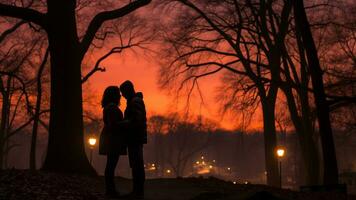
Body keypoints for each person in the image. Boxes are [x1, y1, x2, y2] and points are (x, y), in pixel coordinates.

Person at [120, 80, 147, 199]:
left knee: (137, 164)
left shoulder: (135, 102)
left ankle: (138, 191)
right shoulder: (134, 101)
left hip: (135, 137)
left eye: (123, 92)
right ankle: (137, 191)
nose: (122, 95)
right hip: (135, 137)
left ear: (128, 90)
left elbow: (137, 119)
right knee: (136, 164)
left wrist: (123, 124)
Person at [99, 86, 127, 198]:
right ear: (113, 95)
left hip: (110, 138)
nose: (120, 96)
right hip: (112, 139)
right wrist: (126, 123)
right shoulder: (112, 108)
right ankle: (110, 190)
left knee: (110, 165)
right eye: (117, 93)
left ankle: (110, 189)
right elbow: (113, 125)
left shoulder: (108, 107)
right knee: (111, 165)